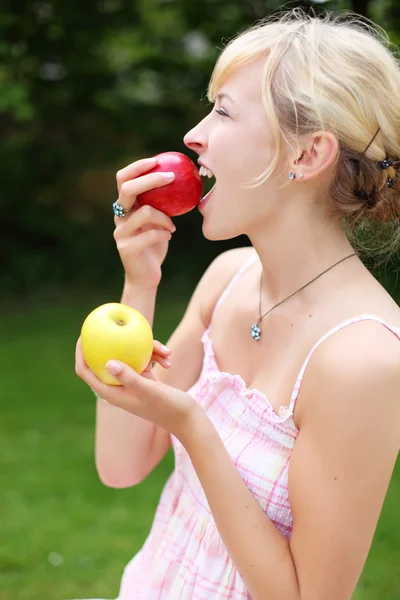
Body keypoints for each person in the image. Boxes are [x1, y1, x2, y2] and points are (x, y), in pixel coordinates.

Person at [74, 8, 400, 600]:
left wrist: (194, 428)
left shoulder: (364, 360)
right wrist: (139, 284)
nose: (194, 134)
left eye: (223, 111)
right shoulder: (227, 279)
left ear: (306, 156)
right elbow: (119, 467)